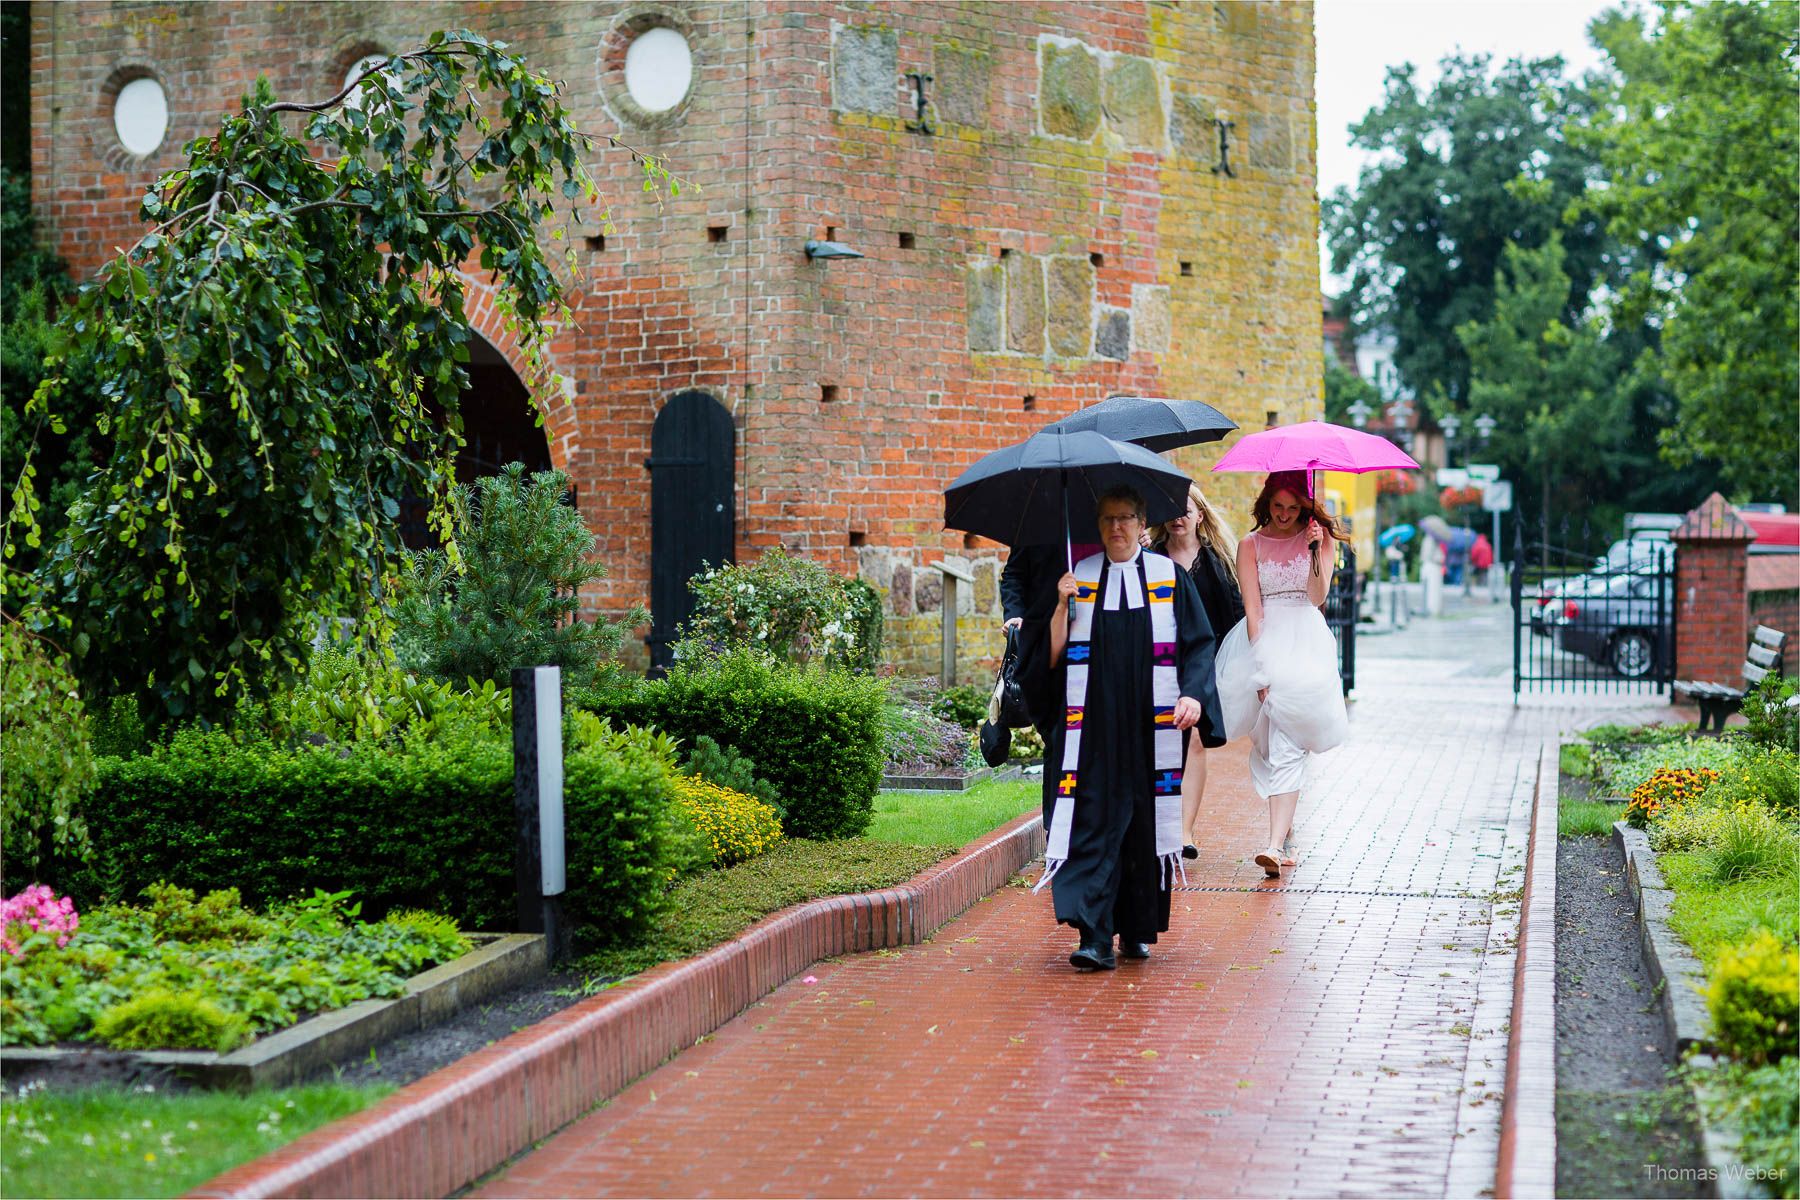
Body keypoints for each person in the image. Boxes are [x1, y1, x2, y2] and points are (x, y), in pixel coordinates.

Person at [1020, 485, 1226, 971]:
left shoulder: (1168, 577)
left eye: (1126, 518)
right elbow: (1045, 662)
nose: (1117, 527)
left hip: (1149, 727)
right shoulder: (1078, 579)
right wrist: (1057, 607)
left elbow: (1198, 644)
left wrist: (1193, 695)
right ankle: (1094, 936)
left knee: (1141, 826)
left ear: (1141, 522)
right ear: (1098, 525)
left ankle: (1135, 930)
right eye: (1108, 519)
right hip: (1090, 731)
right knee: (1093, 823)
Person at [1212, 471, 1350, 878]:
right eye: (1278, 506)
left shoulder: (1318, 538)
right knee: (1267, 745)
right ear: (1266, 503)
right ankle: (1285, 832)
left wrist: (1314, 552)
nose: (1285, 514)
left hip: (1306, 644)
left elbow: (1317, 597)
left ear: (1303, 507)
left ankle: (1272, 845)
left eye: (1293, 507)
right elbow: (1252, 608)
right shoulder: (1249, 545)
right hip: (1264, 642)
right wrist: (1260, 667)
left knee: (1290, 744)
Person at [1147, 483, 1245, 859]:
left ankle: (1184, 832)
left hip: (1203, 665)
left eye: (1185, 509)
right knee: (1161, 744)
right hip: (1158, 662)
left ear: (1200, 516)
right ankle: (1161, 822)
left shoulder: (1217, 561)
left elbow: (1236, 615)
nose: (1177, 516)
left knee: (1196, 740)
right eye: (1170, 509)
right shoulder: (1151, 559)